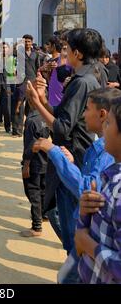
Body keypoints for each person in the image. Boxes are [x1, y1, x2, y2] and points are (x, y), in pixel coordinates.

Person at [27, 28, 102, 253]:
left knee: (66, 217)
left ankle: (76, 258)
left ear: (78, 53)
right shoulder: (82, 77)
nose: (63, 52)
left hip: (74, 153)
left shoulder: (82, 82)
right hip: (70, 151)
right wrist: (41, 98)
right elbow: (60, 113)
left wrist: (37, 103)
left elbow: (61, 128)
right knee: (53, 209)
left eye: (67, 48)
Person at [33, 87, 119, 283]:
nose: (83, 114)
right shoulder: (98, 146)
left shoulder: (107, 151)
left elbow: (86, 188)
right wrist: (71, 162)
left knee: (67, 277)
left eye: (87, 109)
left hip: (93, 241)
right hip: (86, 237)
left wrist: (53, 151)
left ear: (103, 114)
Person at [74, 96, 121, 283]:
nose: (104, 128)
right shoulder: (109, 177)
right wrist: (85, 214)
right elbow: (81, 239)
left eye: (108, 123)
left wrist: (88, 245)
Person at [21, 106, 49, 237]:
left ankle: (36, 226)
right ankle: (43, 214)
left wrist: (26, 165)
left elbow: (30, 145)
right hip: (46, 162)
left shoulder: (31, 121)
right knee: (43, 191)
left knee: (33, 192)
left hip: (34, 163)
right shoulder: (48, 117)